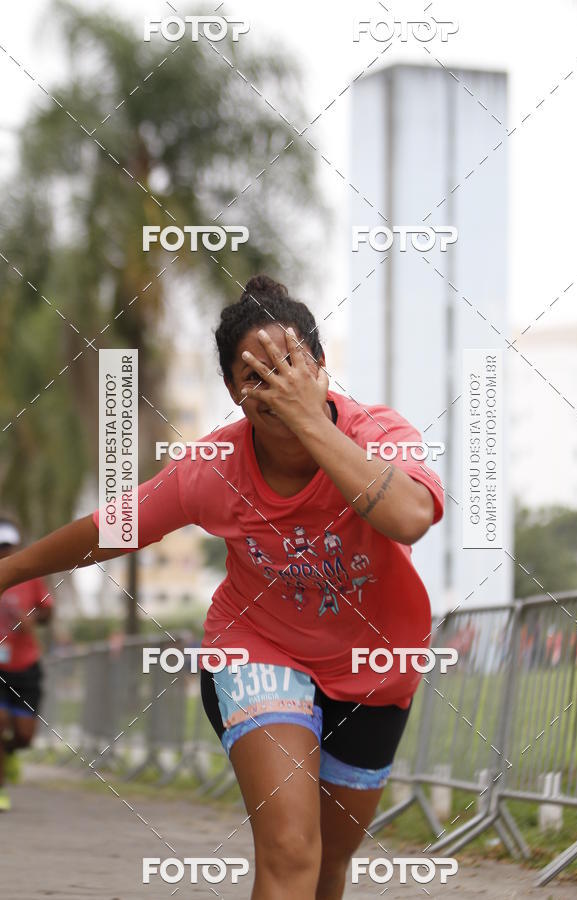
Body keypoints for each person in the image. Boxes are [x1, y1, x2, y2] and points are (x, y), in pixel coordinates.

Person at [0, 275, 443, 898]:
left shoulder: (379, 433)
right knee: (292, 850)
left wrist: (310, 421)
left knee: (327, 866)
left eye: (290, 365)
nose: (276, 387)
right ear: (234, 394)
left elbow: (410, 517)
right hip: (258, 649)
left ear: (320, 366)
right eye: (255, 377)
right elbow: (113, 527)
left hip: (376, 666)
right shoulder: (215, 467)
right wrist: (9, 571)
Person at [0, 519, 53, 812]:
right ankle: (0, 790)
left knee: (24, 735)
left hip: (25, 664)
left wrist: (32, 618)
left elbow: (48, 613)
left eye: (7, 546)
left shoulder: (30, 577)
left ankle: (10, 754)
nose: (4, 552)